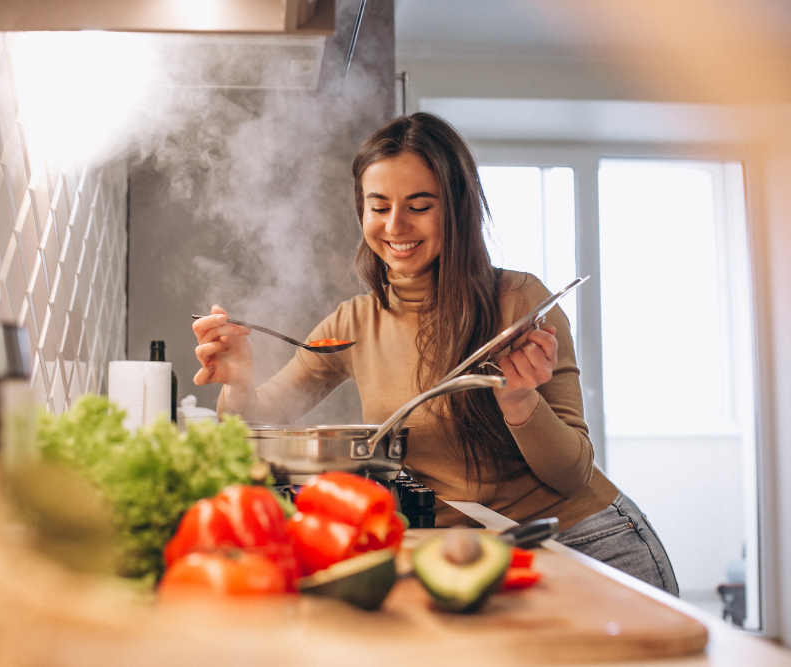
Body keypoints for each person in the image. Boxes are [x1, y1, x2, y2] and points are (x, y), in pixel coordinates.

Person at [191, 112, 678, 595]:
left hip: (584, 542)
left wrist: (521, 402)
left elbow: (572, 475)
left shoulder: (519, 301)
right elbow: (253, 424)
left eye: (419, 206)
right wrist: (238, 381)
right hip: (470, 556)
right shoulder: (353, 323)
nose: (395, 225)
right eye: (378, 206)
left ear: (458, 208)